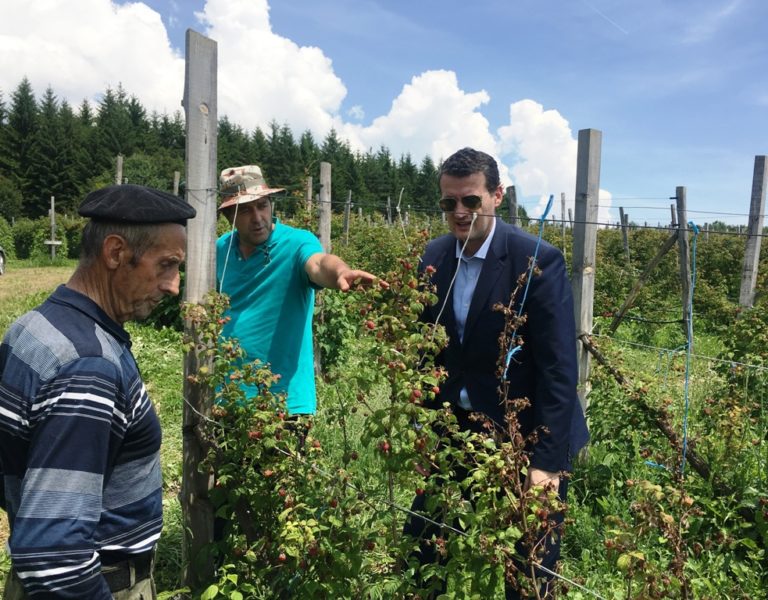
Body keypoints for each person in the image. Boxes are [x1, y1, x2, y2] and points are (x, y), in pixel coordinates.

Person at [404, 147, 589, 598]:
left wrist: (546, 464)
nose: (460, 213)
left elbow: (559, 370)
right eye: (449, 203)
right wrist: (425, 426)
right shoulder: (435, 255)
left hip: (523, 430)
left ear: (497, 196)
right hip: (456, 428)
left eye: (471, 201)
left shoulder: (536, 260)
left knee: (529, 567)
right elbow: (429, 352)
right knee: (422, 548)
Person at [0, 184, 196, 599]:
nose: (174, 286)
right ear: (115, 253)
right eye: (166, 265)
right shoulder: (88, 365)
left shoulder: (34, 327)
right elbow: (55, 560)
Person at [216, 164, 380, 415]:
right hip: (228, 395)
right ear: (230, 216)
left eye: (262, 205)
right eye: (246, 210)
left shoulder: (296, 242)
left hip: (286, 401)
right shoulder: (220, 250)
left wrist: (341, 273)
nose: (258, 217)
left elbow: (318, 263)